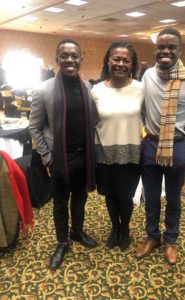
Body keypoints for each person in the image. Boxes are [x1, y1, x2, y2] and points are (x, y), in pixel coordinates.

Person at [135, 28, 185, 264]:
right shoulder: (148, 76)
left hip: (178, 148)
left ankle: (171, 240)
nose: (165, 51)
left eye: (171, 47)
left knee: (174, 199)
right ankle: (152, 237)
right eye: (161, 47)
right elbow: (144, 109)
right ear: (156, 49)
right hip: (151, 145)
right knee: (152, 197)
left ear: (180, 50)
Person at [29, 38, 97, 271]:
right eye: (64, 55)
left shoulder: (87, 86)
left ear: (80, 58)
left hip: (83, 156)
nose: (70, 59)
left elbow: (93, 120)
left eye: (74, 55)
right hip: (59, 159)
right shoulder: (44, 90)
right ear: (57, 59)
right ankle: (61, 242)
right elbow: (35, 128)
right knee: (60, 203)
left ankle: (77, 231)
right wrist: (48, 157)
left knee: (80, 199)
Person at [91, 41, 144, 250]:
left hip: (131, 154)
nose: (120, 63)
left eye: (126, 60)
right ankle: (115, 228)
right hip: (103, 153)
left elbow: (151, 119)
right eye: (116, 59)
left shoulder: (141, 89)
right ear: (108, 61)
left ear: (132, 64)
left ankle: (126, 229)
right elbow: (92, 123)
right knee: (110, 194)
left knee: (125, 195)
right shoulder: (96, 91)